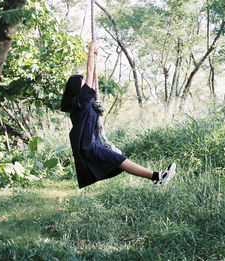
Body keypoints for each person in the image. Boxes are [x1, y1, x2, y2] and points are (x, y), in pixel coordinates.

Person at [60, 40, 176, 188]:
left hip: (92, 146)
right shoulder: (80, 101)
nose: (87, 84)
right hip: (90, 148)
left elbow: (93, 79)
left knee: (121, 161)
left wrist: (95, 57)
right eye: (83, 82)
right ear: (77, 88)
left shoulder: (84, 102)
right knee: (121, 161)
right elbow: (90, 73)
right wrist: (90, 51)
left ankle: (157, 177)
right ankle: (157, 177)